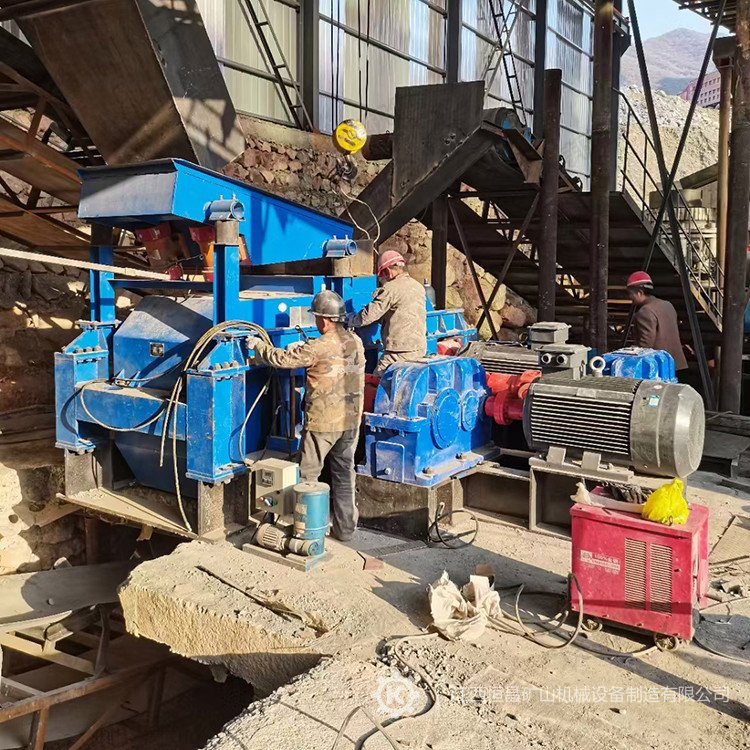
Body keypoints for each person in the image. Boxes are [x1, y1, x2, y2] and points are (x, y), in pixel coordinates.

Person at [248, 290, 365, 541]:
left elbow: (282, 359)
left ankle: (309, 532)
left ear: (324, 320)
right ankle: (345, 530)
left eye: (317, 318)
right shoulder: (356, 341)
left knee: (308, 477)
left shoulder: (318, 346)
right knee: (344, 475)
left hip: (323, 422)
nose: (316, 322)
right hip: (351, 422)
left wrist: (258, 347)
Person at [349, 249, 427, 376]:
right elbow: (400, 310)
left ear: (388, 271)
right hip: (419, 348)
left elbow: (367, 316)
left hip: (398, 352)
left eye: (383, 274)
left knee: (376, 381)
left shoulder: (391, 289)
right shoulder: (418, 286)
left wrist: (350, 319)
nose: (384, 278)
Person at [626, 271, 688, 375]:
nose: (630, 297)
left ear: (640, 292)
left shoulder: (645, 311)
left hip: (659, 368)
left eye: (630, 294)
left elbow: (646, 344)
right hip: (676, 364)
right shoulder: (668, 305)